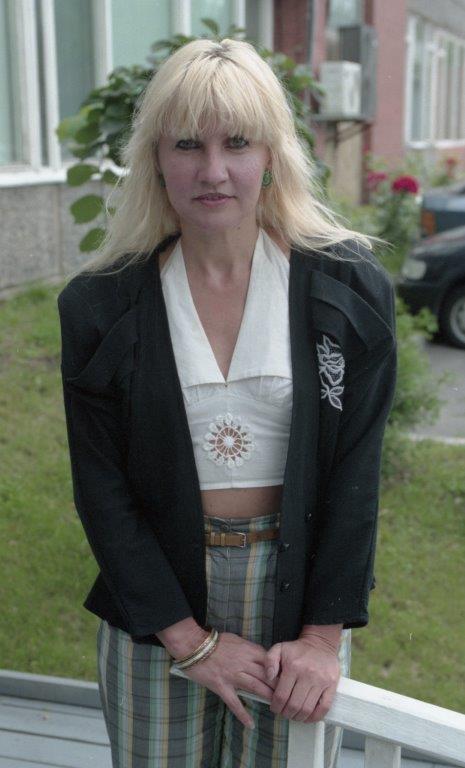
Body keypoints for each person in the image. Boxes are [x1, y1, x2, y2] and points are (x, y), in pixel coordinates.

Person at [57, 38, 397, 768]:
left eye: (237, 143)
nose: (212, 170)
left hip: (299, 600)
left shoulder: (348, 290)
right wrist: (189, 639)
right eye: (187, 144)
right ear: (155, 159)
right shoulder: (100, 305)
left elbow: (356, 472)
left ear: (272, 154)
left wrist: (321, 638)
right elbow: (101, 489)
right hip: (158, 605)